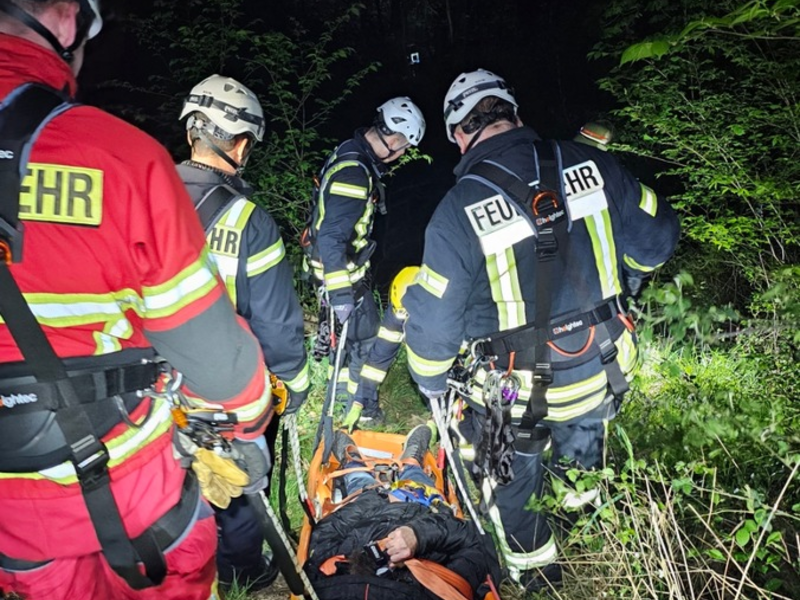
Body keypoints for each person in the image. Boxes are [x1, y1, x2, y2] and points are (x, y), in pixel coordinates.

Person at [0, 2, 271, 599]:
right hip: (134, 498)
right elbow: (215, 356)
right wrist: (251, 421)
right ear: (67, 16)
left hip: (13, 524)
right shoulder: (119, 159)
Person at [403, 68, 679, 593]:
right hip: (605, 366)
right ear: (514, 113)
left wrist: (432, 380)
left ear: (458, 133)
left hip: (519, 393)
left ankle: (537, 572)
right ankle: (586, 526)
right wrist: (630, 279)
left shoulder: (456, 210)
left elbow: (435, 320)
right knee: (583, 440)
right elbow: (658, 239)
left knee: (509, 471)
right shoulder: (595, 164)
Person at [176, 74, 311, 592]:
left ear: (192, 131)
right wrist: (292, 385)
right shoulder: (250, 221)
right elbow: (276, 322)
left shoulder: (142, 196)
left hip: (155, 384)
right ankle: (241, 571)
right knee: (241, 477)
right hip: (226, 390)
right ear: (240, 143)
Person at [302, 97, 425, 413]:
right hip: (341, 275)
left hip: (331, 270)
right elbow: (331, 237)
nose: (400, 156)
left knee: (342, 344)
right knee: (365, 340)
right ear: (394, 139)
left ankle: (339, 401)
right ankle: (359, 407)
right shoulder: (355, 174)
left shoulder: (349, 152)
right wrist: (341, 293)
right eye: (403, 149)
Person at [305, 425, 502, 600]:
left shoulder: (326, 589)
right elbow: (475, 543)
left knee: (360, 484)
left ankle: (354, 462)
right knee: (415, 483)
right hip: (423, 511)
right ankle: (411, 462)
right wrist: (418, 535)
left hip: (365, 515)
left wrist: (374, 500)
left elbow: (322, 540)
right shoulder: (444, 592)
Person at [343, 265, 419, 430]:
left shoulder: (442, 322)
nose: (402, 320)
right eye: (399, 313)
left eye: (406, 315)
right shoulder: (396, 315)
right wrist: (358, 401)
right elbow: (377, 360)